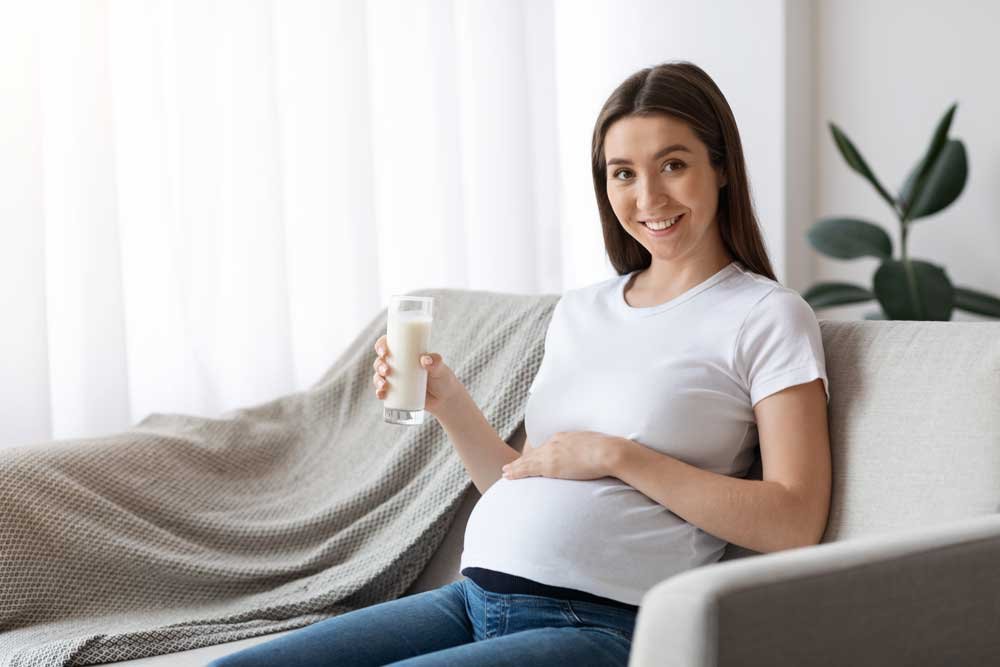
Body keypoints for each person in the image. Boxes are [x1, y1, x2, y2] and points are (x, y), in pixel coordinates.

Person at [208, 60, 831, 667]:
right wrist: (448, 402)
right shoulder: (581, 311)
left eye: (673, 164)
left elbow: (794, 520)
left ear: (721, 168)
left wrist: (620, 456)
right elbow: (524, 479)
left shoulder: (765, 315)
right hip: (469, 598)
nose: (648, 196)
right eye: (622, 173)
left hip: (603, 623)